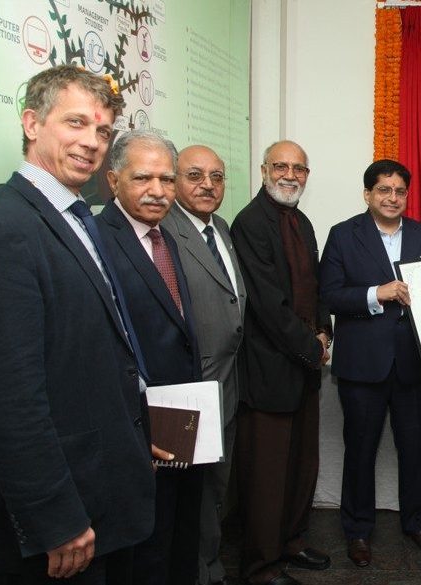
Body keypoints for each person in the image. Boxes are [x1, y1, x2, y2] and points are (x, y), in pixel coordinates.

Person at [0, 64, 154, 584]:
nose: (91, 142)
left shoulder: (77, 216)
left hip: (103, 487)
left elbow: (89, 357)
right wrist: (54, 517)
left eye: (102, 131)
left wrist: (133, 435)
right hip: (60, 522)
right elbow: (4, 398)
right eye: (75, 123)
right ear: (31, 123)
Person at [320, 159, 421, 566]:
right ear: (368, 194)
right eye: (384, 190)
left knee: (414, 449)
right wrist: (379, 292)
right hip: (362, 366)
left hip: (412, 363)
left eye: (400, 191)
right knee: (360, 450)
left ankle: (416, 523)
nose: (393, 198)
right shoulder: (342, 235)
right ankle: (357, 531)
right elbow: (330, 296)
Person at [96, 130, 203, 585]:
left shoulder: (167, 239)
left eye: (166, 178)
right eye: (143, 178)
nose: (158, 191)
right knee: (143, 554)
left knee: (176, 537)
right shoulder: (98, 239)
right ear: (113, 179)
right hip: (135, 424)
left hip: (179, 417)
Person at [230, 140, 331, 585]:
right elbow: (269, 305)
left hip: (304, 366)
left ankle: (292, 540)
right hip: (271, 367)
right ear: (264, 169)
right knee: (268, 474)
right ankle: (261, 565)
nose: (290, 175)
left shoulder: (302, 222)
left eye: (299, 169)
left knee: (301, 463)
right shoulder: (250, 223)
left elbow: (316, 285)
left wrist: (324, 330)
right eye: (281, 166)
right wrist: (313, 348)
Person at [161, 145, 247, 585]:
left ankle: (208, 569)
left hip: (225, 386)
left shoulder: (222, 228)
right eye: (195, 175)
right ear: (174, 179)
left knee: (214, 489)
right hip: (187, 388)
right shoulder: (164, 231)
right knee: (187, 496)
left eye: (216, 176)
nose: (207, 185)